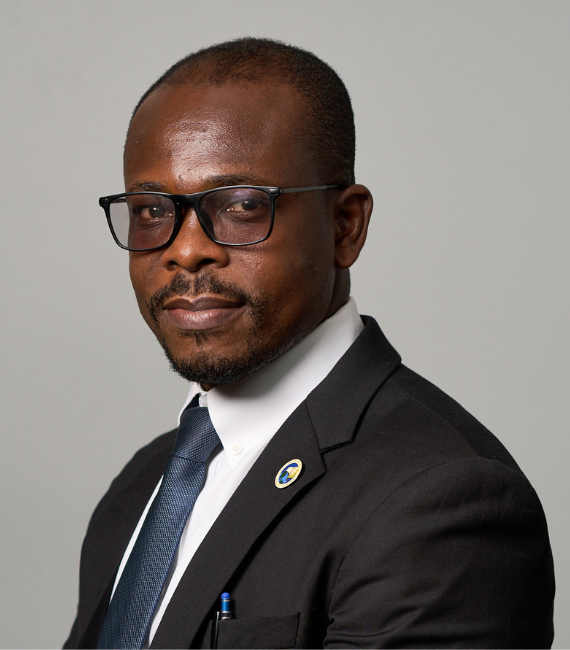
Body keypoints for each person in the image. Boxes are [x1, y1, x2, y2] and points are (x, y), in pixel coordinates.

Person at [65, 38, 555, 649]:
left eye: (243, 205)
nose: (185, 250)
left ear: (345, 225)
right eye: (150, 210)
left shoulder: (440, 499)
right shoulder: (144, 484)